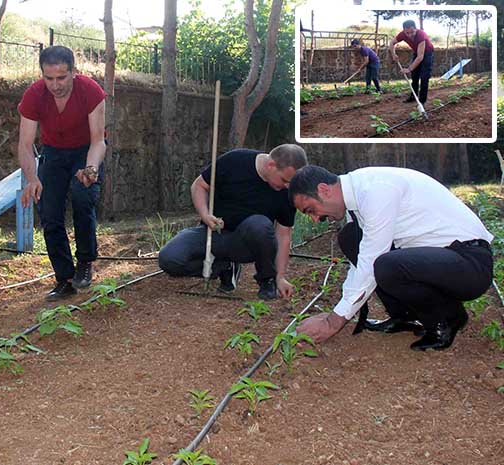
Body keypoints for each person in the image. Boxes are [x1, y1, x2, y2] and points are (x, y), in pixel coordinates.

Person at [288, 166, 493, 351]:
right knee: (351, 237)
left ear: (324, 189)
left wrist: (333, 322)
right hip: (440, 260)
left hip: (469, 263)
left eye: (311, 210)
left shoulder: (375, 191)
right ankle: (404, 316)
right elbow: (359, 264)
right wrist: (337, 311)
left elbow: (371, 262)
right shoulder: (357, 198)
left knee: (386, 265)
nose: (315, 219)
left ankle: (446, 319)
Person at [158, 144, 308, 300]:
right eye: (284, 180)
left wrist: (280, 277)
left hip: (245, 246)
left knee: (260, 224)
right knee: (169, 259)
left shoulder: (288, 192)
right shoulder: (235, 161)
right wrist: (206, 215)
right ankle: (223, 266)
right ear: (271, 165)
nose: (287, 186)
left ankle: (267, 280)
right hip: (213, 233)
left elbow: (283, 235)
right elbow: (199, 185)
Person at [17, 45, 107, 301]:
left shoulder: (90, 91)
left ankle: (86, 262)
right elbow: (25, 144)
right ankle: (64, 278)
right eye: (49, 78)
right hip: (54, 153)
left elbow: (98, 141)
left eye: (61, 77)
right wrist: (32, 178)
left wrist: (90, 169)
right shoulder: (34, 95)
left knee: (82, 196)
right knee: (49, 209)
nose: (55, 85)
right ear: (42, 75)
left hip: (84, 151)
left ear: (73, 72)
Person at [388, 19, 434, 104]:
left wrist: (409, 69)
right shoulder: (402, 34)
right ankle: (413, 96)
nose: (410, 35)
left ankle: (422, 101)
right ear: (404, 31)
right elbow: (391, 43)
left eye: (412, 32)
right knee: (414, 76)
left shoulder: (421, 35)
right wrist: (393, 54)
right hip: (417, 52)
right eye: (407, 33)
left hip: (427, 53)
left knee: (424, 77)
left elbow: (420, 57)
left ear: (415, 29)